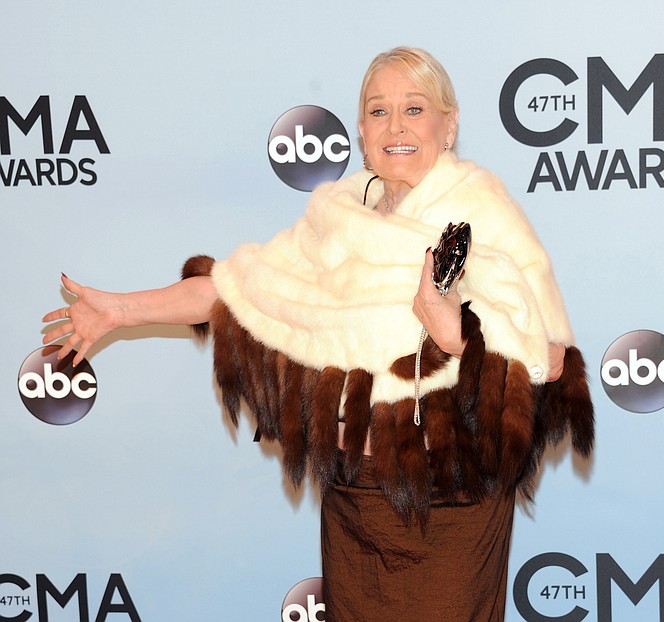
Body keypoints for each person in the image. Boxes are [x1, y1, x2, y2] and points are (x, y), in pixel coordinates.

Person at [42, 47, 593, 621]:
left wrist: (457, 336)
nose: (397, 126)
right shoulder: (338, 216)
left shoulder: (484, 210)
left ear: (449, 124)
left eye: (414, 108)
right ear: (360, 130)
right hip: (356, 494)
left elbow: (549, 360)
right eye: (379, 112)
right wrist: (120, 312)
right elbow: (237, 286)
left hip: (453, 500)